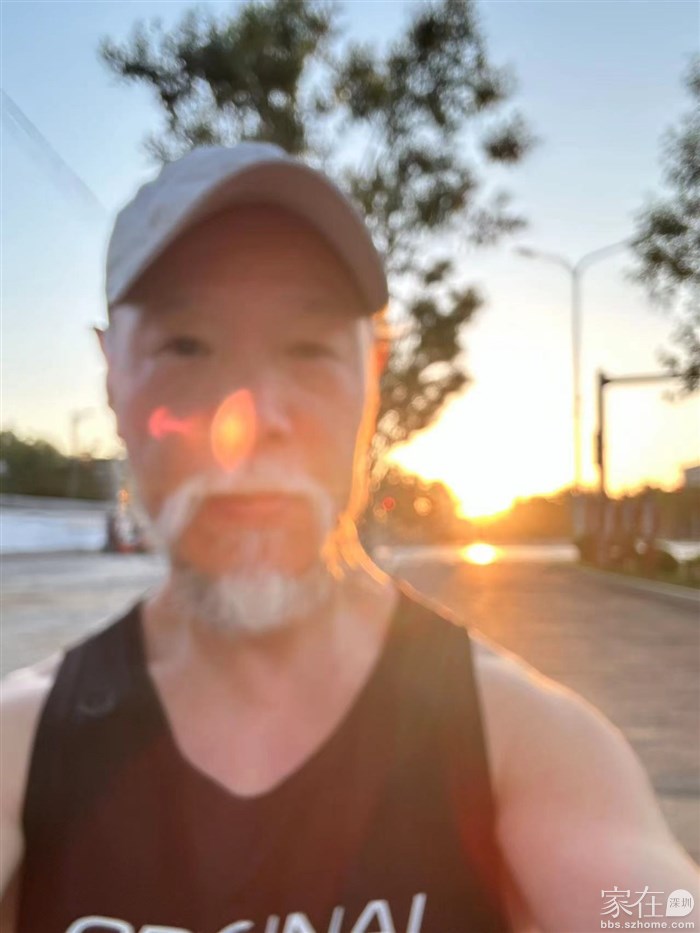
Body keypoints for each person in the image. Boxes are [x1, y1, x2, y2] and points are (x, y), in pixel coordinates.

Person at [0, 143, 697, 933]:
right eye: (184, 347)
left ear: (374, 373)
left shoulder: (520, 743)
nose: (247, 425)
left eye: (309, 349)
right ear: (111, 375)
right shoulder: (22, 748)